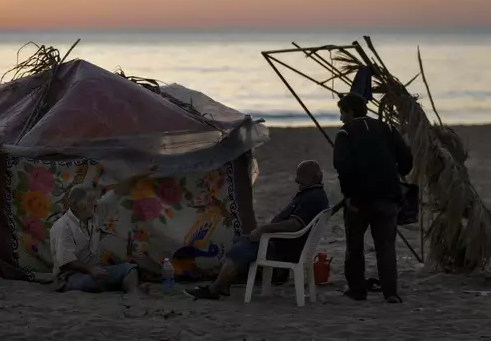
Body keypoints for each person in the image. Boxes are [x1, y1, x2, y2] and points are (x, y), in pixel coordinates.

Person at [184, 160, 329, 300]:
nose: (297, 180)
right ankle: (223, 284)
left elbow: (294, 225)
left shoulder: (313, 198)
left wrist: (264, 230)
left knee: (241, 248)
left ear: (315, 178)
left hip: (282, 249)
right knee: (239, 241)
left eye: (301, 177)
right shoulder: (313, 194)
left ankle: (214, 289)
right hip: (283, 244)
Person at [333, 93, 413, 304]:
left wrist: (349, 195)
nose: (341, 118)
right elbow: (406, 158)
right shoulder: (386, 129)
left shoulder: (345, 134)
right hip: (388, 196)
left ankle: (357, 290)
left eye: (342, 113)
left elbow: (343, 167)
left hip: (359, 200)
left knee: (355, 246)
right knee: (386, 246)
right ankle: (391, 293)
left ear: (350, 112)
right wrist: (395, 172)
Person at [50, 171, 153, 294]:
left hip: (92, 272)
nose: (94, 203)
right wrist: (90, 270)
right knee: (95, 281)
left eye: (95, 199)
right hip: (68, 278)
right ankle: (127, 286)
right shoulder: (63, 226)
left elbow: (118, 191)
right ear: (77, 204)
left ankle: (133, 291)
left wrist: (138, 175)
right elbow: (66, 262)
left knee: (130, 268)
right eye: (90, 200)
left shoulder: (94, 213)